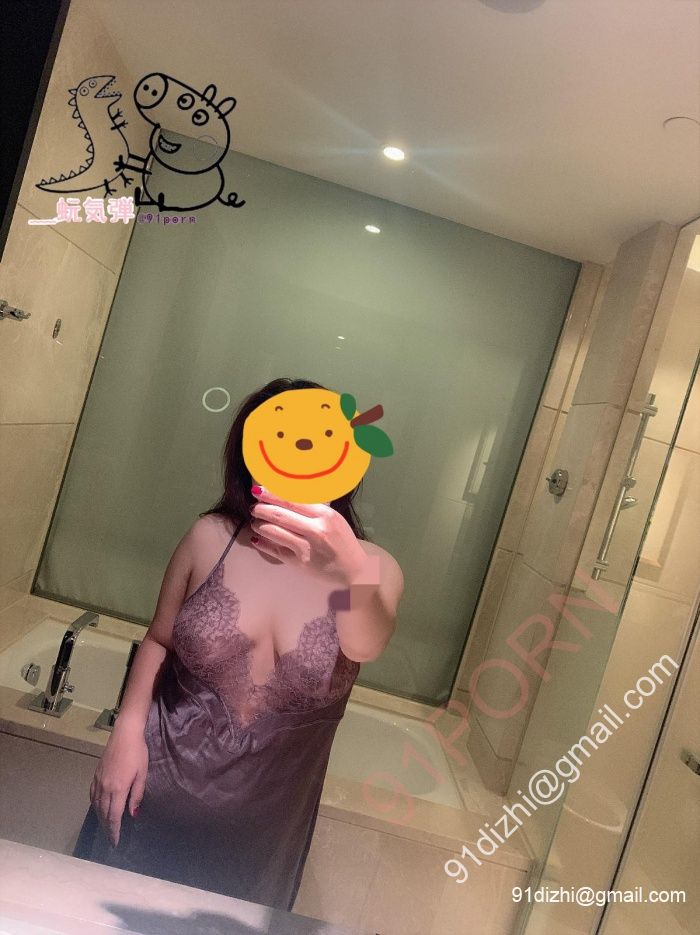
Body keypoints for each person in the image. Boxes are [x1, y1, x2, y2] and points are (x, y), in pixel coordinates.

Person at [72, 377, 404, 912]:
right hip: (144, 798)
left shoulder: (373, 569)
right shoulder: (211, 536)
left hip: (259, 840)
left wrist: (347, 570)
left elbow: (366, 644)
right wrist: (125, 733)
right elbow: (159, 639)